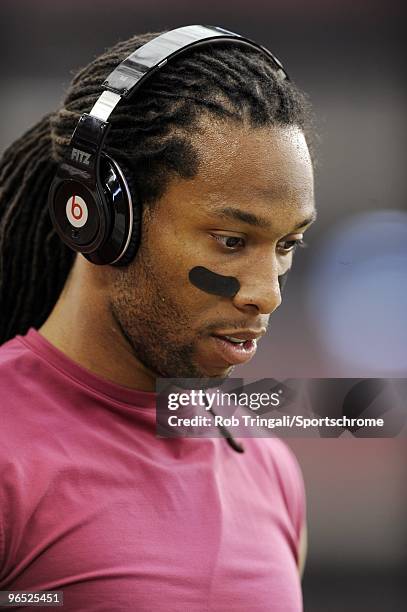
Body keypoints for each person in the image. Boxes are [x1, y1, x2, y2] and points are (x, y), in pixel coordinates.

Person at [0, 26, 316, 612]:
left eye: (287, 243)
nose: (267, 294)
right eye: (230, 240)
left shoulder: (269, 466)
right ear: (100, 219)